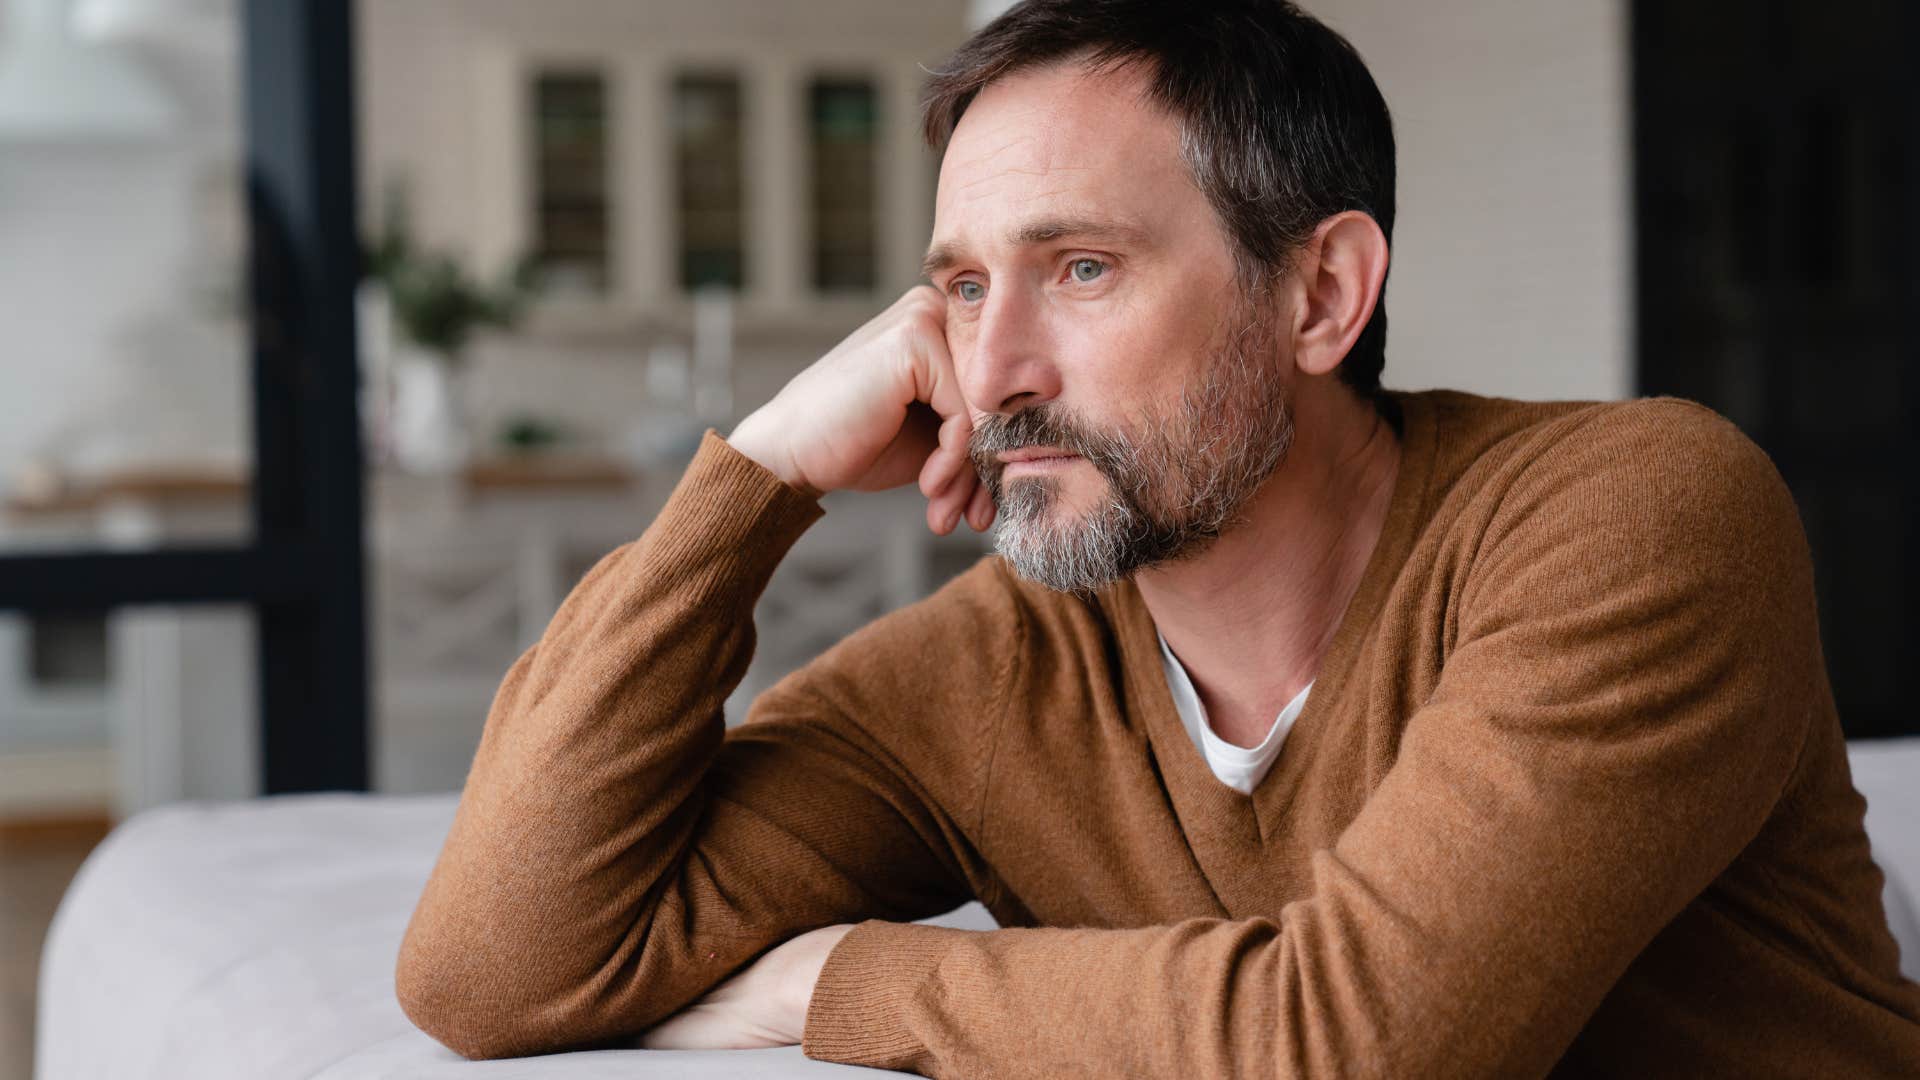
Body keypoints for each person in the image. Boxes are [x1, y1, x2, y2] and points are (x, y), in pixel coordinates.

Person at [395, 1, 1920, 1075]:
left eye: (1081, 268)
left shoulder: (1637, 512)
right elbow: (491, 969)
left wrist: (828, 985)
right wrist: (763, 480)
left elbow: (1357, 1046)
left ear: (1322, 295)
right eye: (965, 288)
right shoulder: (995, 671)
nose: (989, 375)